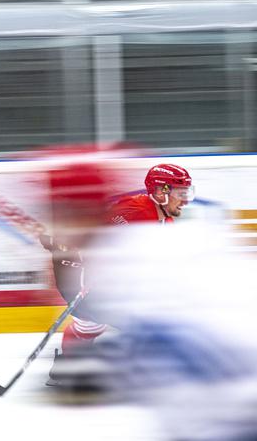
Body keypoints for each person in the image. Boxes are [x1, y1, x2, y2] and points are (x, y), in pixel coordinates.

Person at [45, 163, 194, 384]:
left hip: (99, 278)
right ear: (160, 192)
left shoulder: (164, 219)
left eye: (187, 192)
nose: (185, 199)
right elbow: (91, 236)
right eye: (180, 193)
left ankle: (67, 367)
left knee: (92, 325)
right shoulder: (134, 212)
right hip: (78, 275)